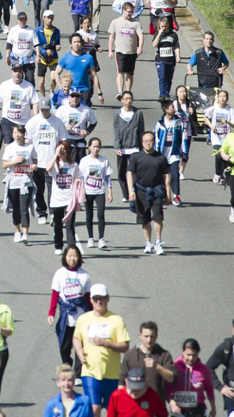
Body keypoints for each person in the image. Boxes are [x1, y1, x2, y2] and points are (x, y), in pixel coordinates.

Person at [72, 284, 130, 417]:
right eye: (96, 298)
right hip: (90, 372)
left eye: (102, 298)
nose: (99, 302)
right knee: (94, 408)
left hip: (112, 374)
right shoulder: (83, 319)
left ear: (108, 299)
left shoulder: (116, 320)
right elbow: (76, 338)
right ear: (91, 300)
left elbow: (125, 346)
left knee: (112, 411)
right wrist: (79, 350)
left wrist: (106, 343)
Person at [49, 246, 92, 376]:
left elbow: (88, 298)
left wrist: (92, 315)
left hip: (81, 317)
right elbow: (55, 295)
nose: (72, 259)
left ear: (79, 258)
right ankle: (67, 366)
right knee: (64, 346)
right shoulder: (60, 273)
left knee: (81, 346)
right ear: (65, 257)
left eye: (74, 256)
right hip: (66, 317)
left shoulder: (84, 275)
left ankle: (78, 373)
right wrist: (51, 313)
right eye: (69, 256)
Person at [127, 132, 171, 255]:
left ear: (154, 142)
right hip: (141, 192)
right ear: (142, 142)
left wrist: (168, 194)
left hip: (157, 191)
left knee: (158, 217)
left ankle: (158, 242)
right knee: (144, 219)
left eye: (150, 140)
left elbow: (166, 176)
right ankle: (148, 243)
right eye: (146, 141)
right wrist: (131, 191)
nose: (148, 143)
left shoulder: (161, 158)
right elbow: (130, 173)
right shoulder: (135, 157)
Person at [119, 322, 177, 401]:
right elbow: (121, 382)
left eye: (152, 336)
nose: (149, 340)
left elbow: (171, 378)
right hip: (135, 405)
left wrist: (156, 367)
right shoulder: (130, 356)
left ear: (156, 336)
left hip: (157, 405)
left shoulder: (164, 355)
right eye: (146, 336)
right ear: (140, 336)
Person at [2, 125, 37, 243]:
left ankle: (25, 233)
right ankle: (17, 231)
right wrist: (14, 161)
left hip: (26, 181)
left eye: (20, 133)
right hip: (13, 181)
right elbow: (4, 165)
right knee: (16, 208)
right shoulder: (10, 148)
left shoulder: (30, 147)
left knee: (24, 208)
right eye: (15, 133)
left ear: (24, 134)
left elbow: (35, 160)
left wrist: (34, 166)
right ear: (12, 135)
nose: (17, 135)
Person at [167, 339, 216, 417]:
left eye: (194, 355)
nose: (191, 358)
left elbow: (209, 389)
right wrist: (171, 402)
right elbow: (167, 387)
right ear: (183, 352)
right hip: (177, 410)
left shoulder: (204, 370)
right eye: (188, 354)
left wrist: (213, 409)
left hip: (198, 411)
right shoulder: (174, 367)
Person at [79, 139, 112, 249]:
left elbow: (108, 177)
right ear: (89, 147)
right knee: (89, 215)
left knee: (101, 215)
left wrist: (110, 192)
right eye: (94, 146)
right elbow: (81, 177)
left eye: (98, 146)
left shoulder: (104, 160)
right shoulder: (84, 161)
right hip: (88, 191)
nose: (96, 149)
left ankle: (101, 239)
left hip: (100, 191)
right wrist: (80, 192)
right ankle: (90, 238)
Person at [113, 92, 145, 202]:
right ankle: (125, 194)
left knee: (134, 172)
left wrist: (142, 148)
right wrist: (117, 147)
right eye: (126, 99)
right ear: (122, 100)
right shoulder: (117, 114)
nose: (128, 101)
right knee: (121, 173)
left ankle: (134, 192)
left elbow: (141, 131)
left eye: (130, 98)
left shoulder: (138, 113)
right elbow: (116, 131)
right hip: (122, 149)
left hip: (135, 148)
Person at [108, 2, 144, 99]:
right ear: (123, 10)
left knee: (130, 73)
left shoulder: (135, 23)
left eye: (131, 12)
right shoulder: (115, 22)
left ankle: (128, 92)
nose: (130, 14)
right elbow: (111, 36)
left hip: (131, 52)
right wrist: (110, 51)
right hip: (120, 51)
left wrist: (139, 47)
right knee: (120, 71)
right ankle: (120, 92)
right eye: (128, 12)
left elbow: (140, 35)